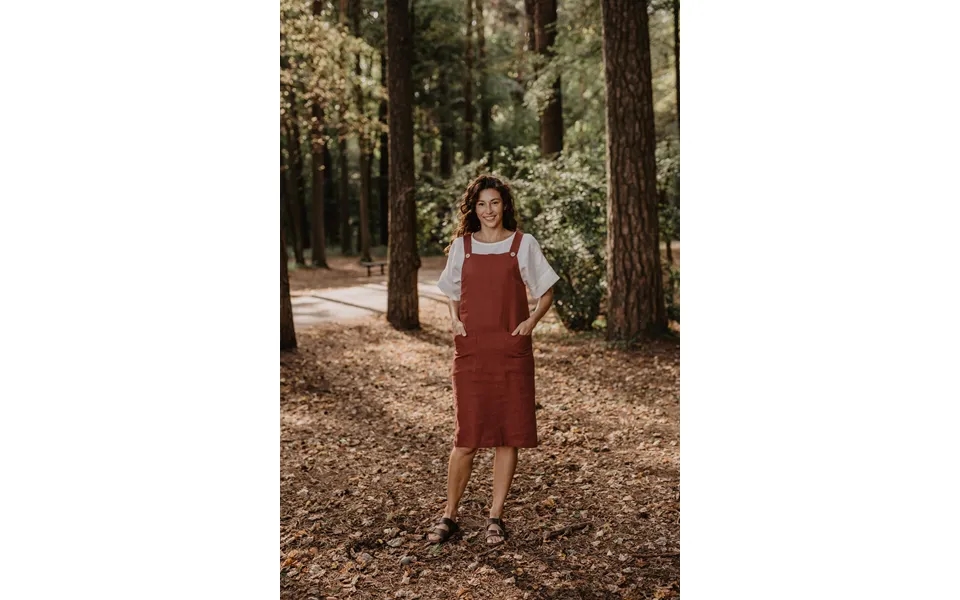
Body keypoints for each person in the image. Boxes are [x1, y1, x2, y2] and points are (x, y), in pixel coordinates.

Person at [427, 174, 560, 546]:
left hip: (511, 351)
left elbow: (546, 291)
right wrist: (454, 319)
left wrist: (531, 322)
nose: (488, 210)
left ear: (505, 206)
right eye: (482, 204)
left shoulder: (523, 244)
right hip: (471, 353)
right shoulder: (462, 247)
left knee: (507, 436)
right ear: (474, 208)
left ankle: (495, 517)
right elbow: (451, 290)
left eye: (495, 203)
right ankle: (450, 514)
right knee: (466, 437)